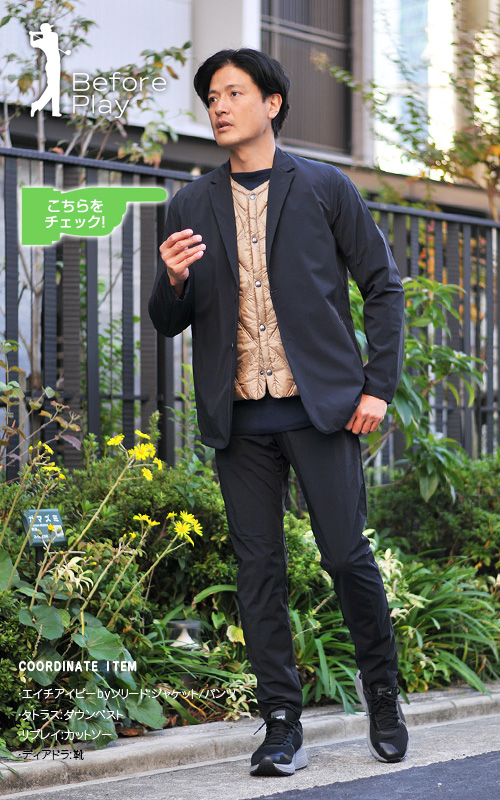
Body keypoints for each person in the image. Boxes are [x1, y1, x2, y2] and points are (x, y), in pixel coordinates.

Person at [149, 48, 408, 778]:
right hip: (239, 420)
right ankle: (282, 723)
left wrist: (377, 387)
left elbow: (383, 286)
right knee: (258, 570)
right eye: (211, 97)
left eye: (234, 93)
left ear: (272, 103)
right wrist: (172, 279)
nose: (219, 106)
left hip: (321, 410)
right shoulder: (189, 204)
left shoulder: (325, 187)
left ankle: (382, 693)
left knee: (345, 556)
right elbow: (167, 319)